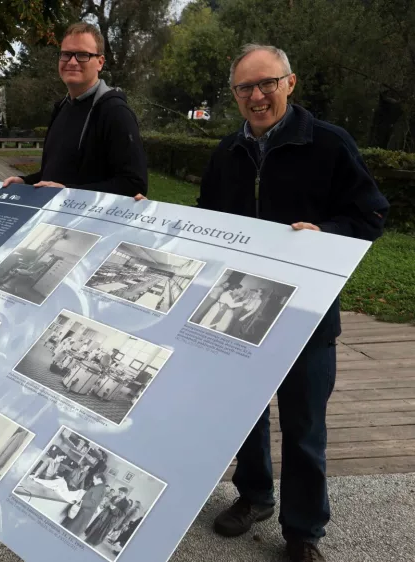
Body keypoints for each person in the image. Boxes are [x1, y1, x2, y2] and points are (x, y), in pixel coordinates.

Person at [135, 44, 389, 562]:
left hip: (306, 315)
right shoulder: (227, 150)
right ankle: (254, 497)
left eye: (266, 83)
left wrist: (325, 234)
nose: (256, 96)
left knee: (304, 426)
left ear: (289, 83)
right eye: (245, 87)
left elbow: (370, 215)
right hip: (234, 308)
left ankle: (303, 531)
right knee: (242, 414)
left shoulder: (329, 143)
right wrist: (151, 220)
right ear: (234, 94)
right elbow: (208, 219)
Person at [2, 22, 147, 197]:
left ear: (100, 62)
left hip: (87, 215)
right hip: (51, 211)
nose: (72, 62)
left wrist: (68, 192)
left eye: (82, 55)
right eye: (66, 54)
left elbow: (133, 184)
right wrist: (25, 182)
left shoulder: (115, 112)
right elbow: (55, 174)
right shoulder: (61, 108)